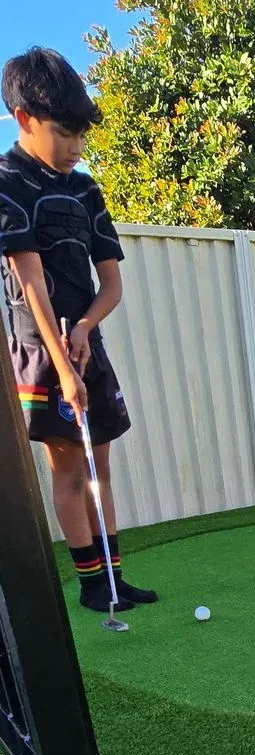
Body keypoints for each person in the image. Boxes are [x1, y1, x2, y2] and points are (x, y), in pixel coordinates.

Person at [0, 46, 155, 612]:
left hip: (86, 345)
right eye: (64, 132)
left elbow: (110, 285)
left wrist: (87, 329)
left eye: (82, 135)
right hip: (39, 353)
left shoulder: (86, 190)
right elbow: (32, 287)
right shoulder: (7, 183)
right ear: (24, 120)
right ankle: (92, 585)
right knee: (67, 465)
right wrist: (63, 368)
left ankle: (117, 578)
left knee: (102, 461)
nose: (76, 147)